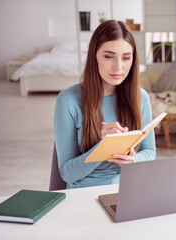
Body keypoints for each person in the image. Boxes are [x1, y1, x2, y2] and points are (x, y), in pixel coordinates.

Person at [53, 20, 156, 189]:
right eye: (108, 56)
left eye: (126, 58)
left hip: (129, 189)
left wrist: (133, 160)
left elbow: (150, 152)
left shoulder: (140, 97)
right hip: (84, 193)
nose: (118, 67)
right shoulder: (67, 101)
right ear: (94, 56)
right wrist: (103, 148)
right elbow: (67, 173)